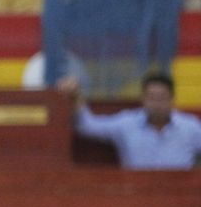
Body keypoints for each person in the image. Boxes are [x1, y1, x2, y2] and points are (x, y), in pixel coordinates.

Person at [65, 71, 201, 169]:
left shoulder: (190, 127)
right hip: (136, 196)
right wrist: (75, 97)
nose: (156, 103)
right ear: (143, 99)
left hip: (180, 197)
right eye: (151, 97)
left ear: (172, 99)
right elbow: (88, 126)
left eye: (162, 97)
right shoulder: (127, 124)